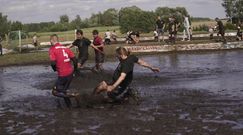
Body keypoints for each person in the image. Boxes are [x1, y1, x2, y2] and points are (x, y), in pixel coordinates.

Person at [94, 47, 160, 102]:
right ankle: (92, 98)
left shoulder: (126, 64)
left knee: (110, 96)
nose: (117, 57)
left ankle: (126, 95)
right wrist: (151, 67)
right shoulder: (131, 57)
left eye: (117, 56)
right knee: (102, 84)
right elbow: (141, 62)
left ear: (121, 55)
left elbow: (122, 77)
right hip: (115, 81)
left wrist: (113, 86)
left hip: (121, 84)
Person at [49, 34, 79, 108]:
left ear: (52, 40)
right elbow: (75, 60)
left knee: (54, 91)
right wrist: (75, 71)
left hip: (62, 75)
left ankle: (72, 95)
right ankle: (69, 106)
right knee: (64, 90)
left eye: (50, 40)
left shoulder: (52, 49)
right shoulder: (65, 48)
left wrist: (54, 69)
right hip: (70, 74)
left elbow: (53, 63)